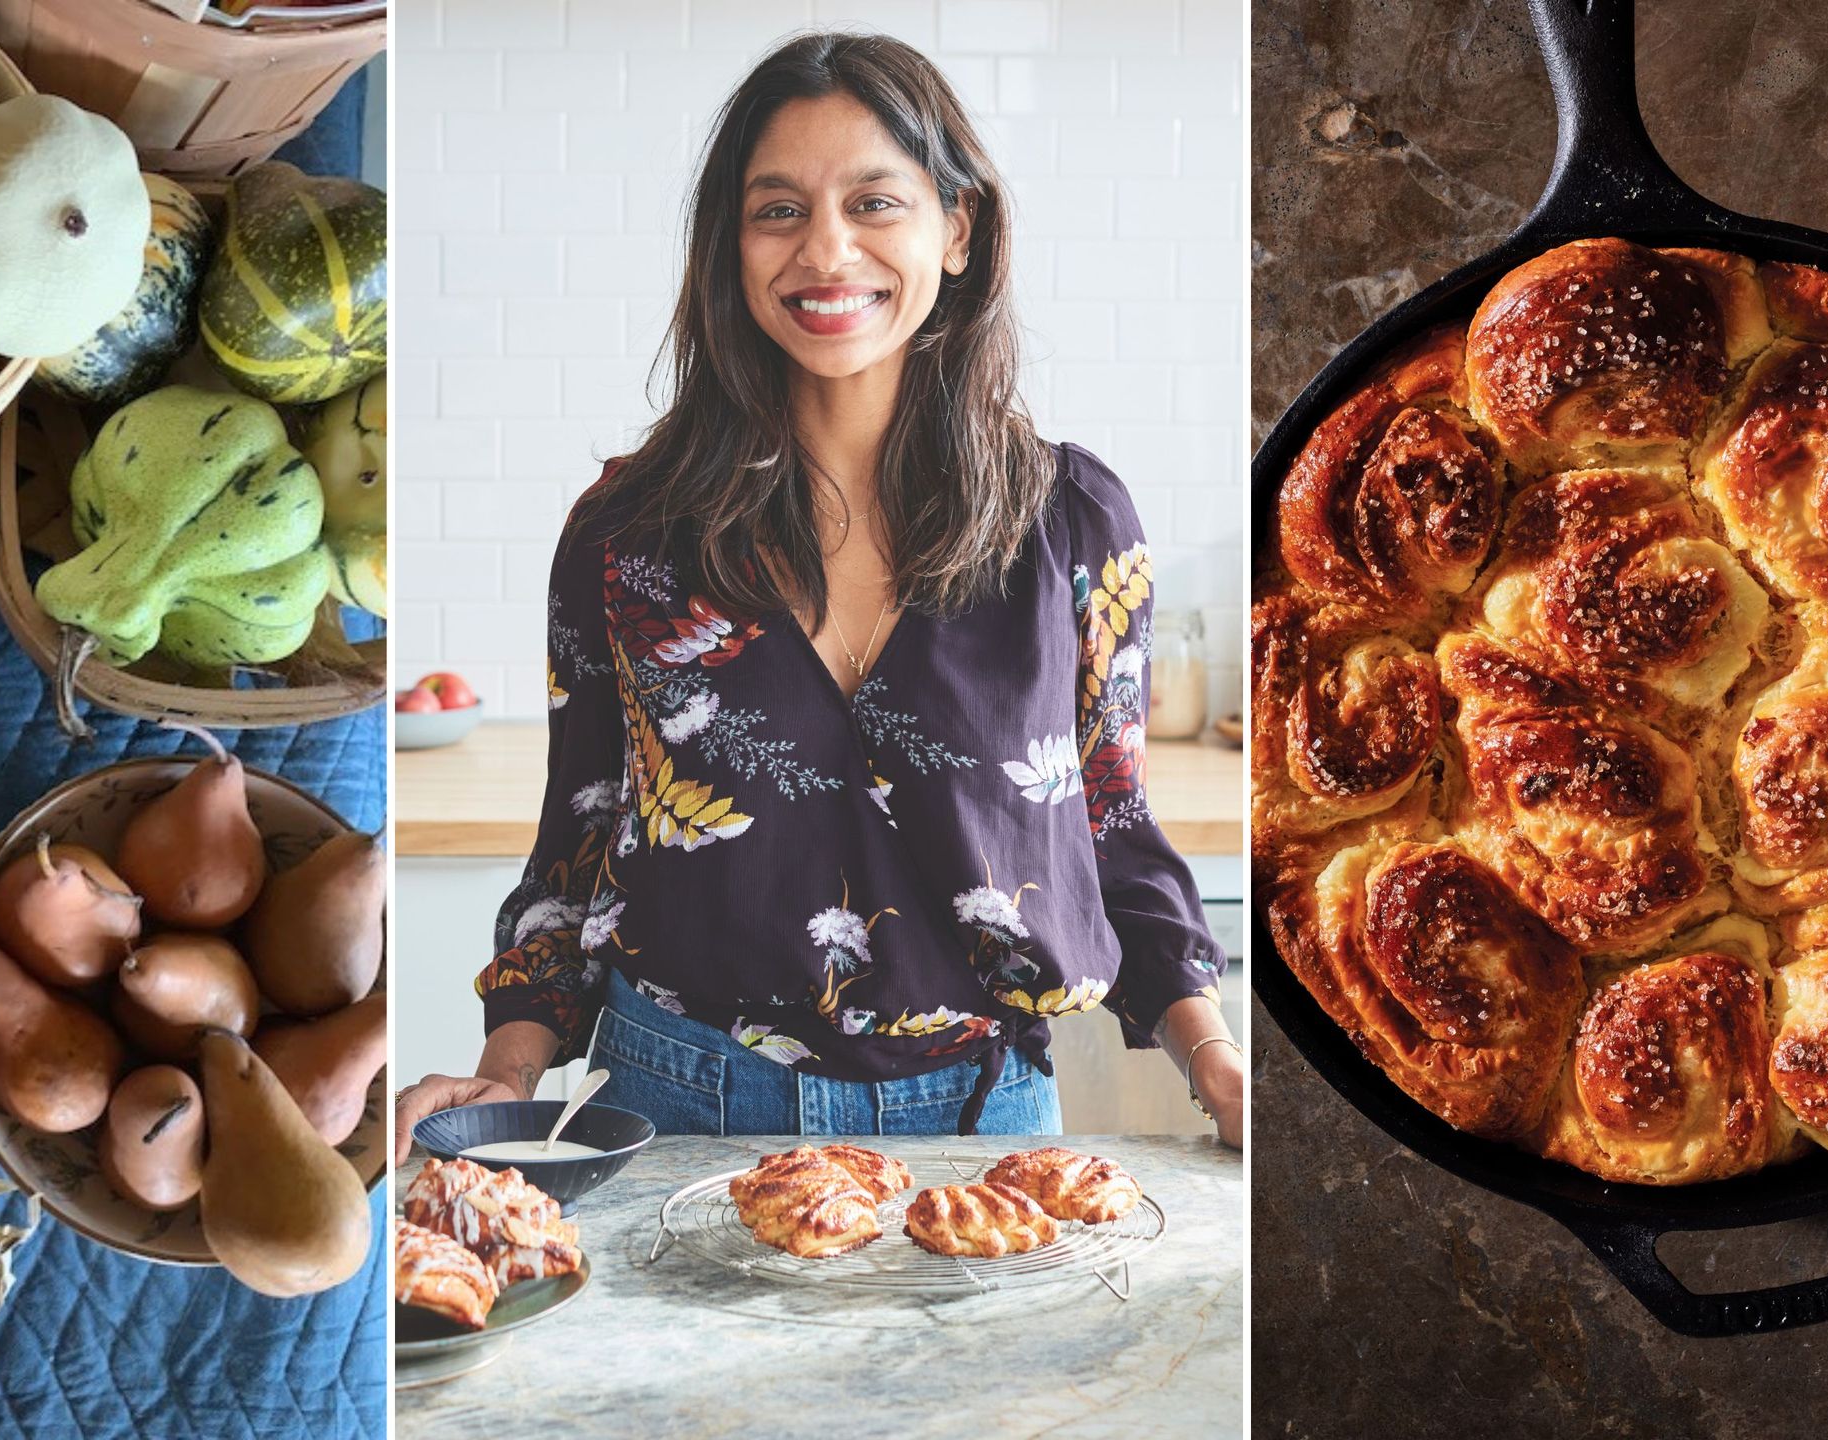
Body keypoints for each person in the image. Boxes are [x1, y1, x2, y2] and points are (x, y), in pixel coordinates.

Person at [394, 30, 1240, 1158]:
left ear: (957, 229)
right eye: (778, 210)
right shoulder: (626, 531)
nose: (826, 250)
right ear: (730, 246)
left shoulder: (1071, 522)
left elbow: (1114, 826)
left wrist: (1216, 1063)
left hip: (980, 1123)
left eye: (874, 203)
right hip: (674, 1102)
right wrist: (501, 1077)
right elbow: (578, 841)